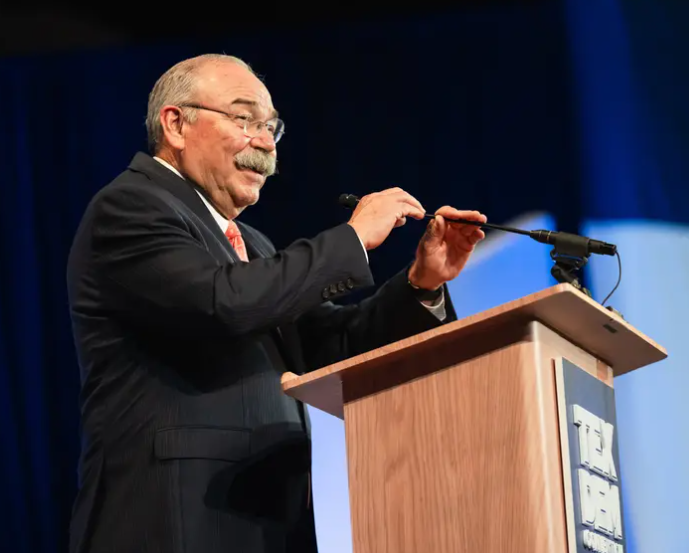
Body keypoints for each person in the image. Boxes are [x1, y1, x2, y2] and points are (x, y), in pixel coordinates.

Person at [66, 54, 487, 553]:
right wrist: (352, 240)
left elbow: (332, 346)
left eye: (271, 127)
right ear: (176, 124)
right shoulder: (131, 207)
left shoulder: (253, 245)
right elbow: (220, 302)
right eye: (244, 119)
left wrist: (421, 284)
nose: (265, 143)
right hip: (176, 517)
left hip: (265, 518)